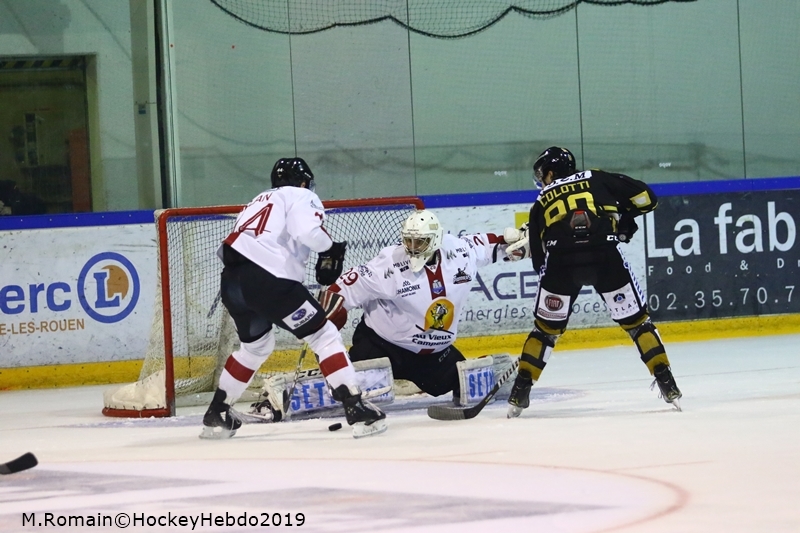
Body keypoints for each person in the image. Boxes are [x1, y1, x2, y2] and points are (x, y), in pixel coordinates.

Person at [200, 157, 387, 439]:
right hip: (269, 281)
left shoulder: (257, 201)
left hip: (233, 283)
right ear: (303, 182)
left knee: (255, 348)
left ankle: (218, 412)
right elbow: (308, 232)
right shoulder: (301, 194)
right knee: (323, 335)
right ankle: (355, 406)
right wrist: (331, 248)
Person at [506, 146, 682, 418]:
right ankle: (667, 383)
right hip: (604, 255)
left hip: (561, 262)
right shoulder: (597, 178)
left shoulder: (541, 200)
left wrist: (550, 273)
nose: (542, 179)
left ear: (551, 172)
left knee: (545, 332)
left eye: (543, 173)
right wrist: (621, 217)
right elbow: (647, 198)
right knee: (638, 324)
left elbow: (539, 259)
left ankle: (520, 391)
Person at [315, 209, 526, 402]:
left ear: (435, 241)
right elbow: (342, 290)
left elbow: (492, 245)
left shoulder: (460, 252)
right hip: (381, 347)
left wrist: (522, 244)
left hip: (434, 354)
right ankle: (332, 379)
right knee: (352, 390)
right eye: (409, 241)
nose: (413, 248)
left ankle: (488, 366)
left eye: (420, 242)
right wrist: (323, 325)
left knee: (462, 384)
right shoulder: (388, 263)